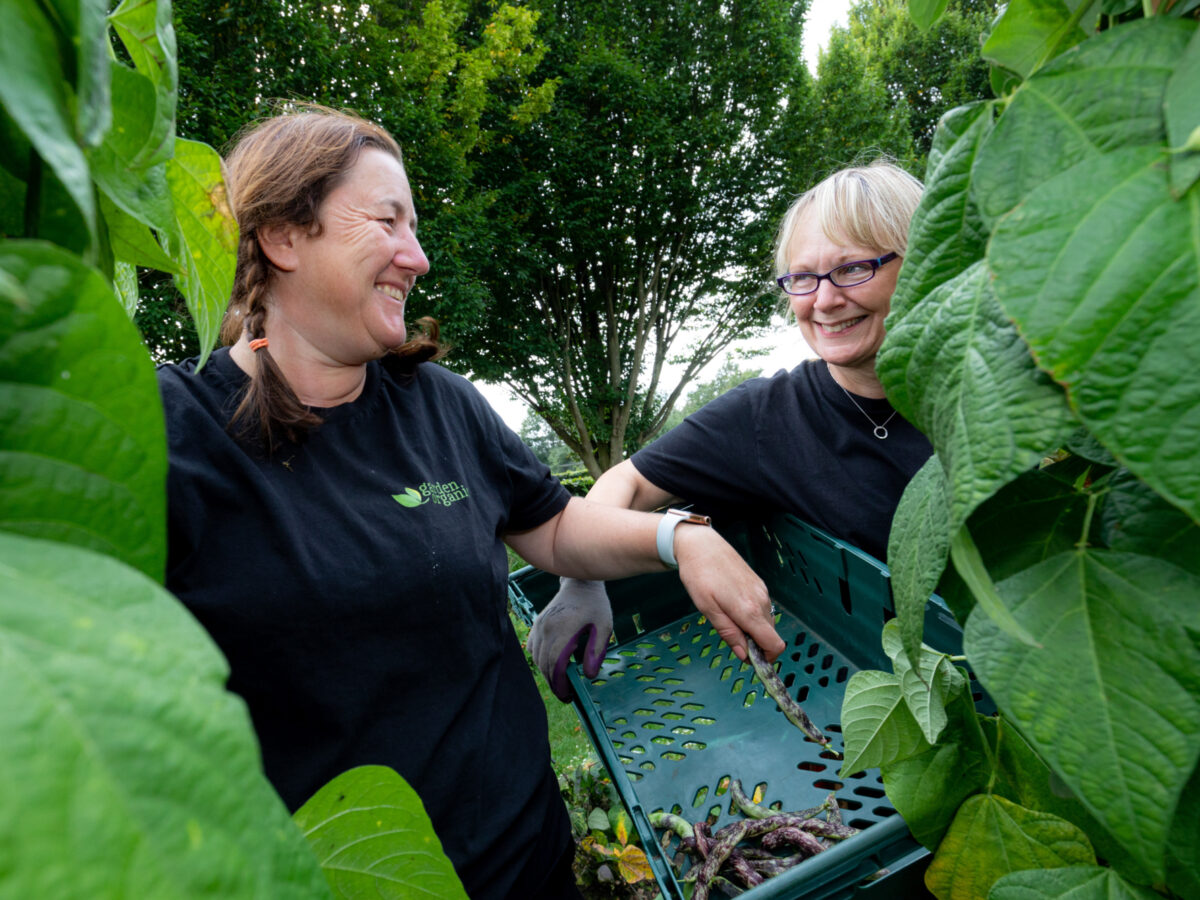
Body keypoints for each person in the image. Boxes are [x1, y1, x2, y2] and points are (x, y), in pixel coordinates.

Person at [156, 104, 783, 900]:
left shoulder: (440, 403)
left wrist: (678, 537)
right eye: (387, 221)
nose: (417, 258)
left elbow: (553, 524)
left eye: (415, 228)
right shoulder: (173, 434)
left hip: (526, 861)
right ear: (283, 237)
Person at [528, 160, 933, 701]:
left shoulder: (1000, 393)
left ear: (922, 262)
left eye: (853, 268)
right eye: (802, 278)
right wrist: (582, 579)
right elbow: (626, 482)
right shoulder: (767, 416)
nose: (824, 300)